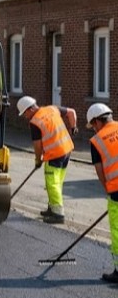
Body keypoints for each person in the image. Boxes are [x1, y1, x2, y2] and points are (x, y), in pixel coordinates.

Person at [17, 95, 78, 224]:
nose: (25, 116)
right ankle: (52, 207)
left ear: (30, 109)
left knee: (52, 183)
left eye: (25, 113)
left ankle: (58, 214)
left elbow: (37, 145)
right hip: (67, 149)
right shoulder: (52, 108)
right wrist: (73, 127)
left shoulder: (35, 122)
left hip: (54, 154)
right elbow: (71, 112)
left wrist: (38, 160)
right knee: (58, 182)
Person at [85, 103, 118, 283]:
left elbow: (100, 171)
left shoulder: (97, 141)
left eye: (93, 125)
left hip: (117, 191)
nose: (94, 129)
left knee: (117, 231)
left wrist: (109, 191)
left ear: (98, 121)